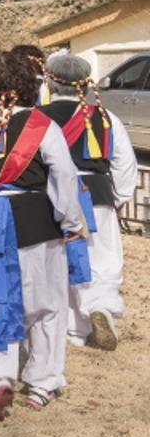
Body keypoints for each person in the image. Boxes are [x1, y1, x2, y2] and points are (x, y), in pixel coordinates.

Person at [0, 50, 85, 419]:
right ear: (31, 84)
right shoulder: (43, 125)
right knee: (46, 305)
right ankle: (42, 382)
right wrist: (70, 221)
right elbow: (63, 176)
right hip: (35, 223)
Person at [40, 53, 135, 351]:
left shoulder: (36, 118)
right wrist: (117, 197)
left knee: (62, 260)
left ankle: (75, 331)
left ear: (49, 81)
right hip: (97, 194)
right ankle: (101, 307)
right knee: (102, 259)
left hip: (52, 196)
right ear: (85, 84)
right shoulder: (106, 118)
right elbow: (124, 164)